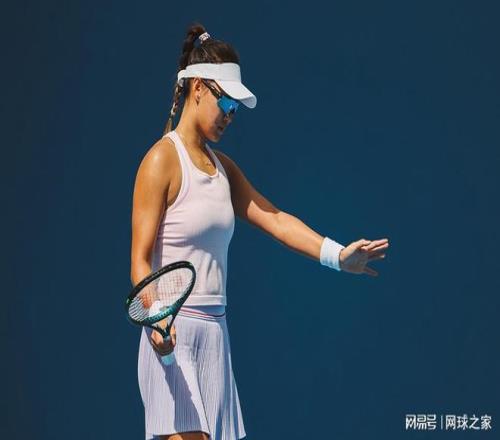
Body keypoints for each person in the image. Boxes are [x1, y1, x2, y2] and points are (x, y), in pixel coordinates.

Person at [130, 22, 389, 440]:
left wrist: (338, 257)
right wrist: (158, 320)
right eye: (225, 101)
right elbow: (140, 262)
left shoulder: (225, 170)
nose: (230, 115)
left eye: (236, 107)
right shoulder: (160, 160)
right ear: (198, 88)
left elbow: (277, 220)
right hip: (172, 337)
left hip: (216, 339)